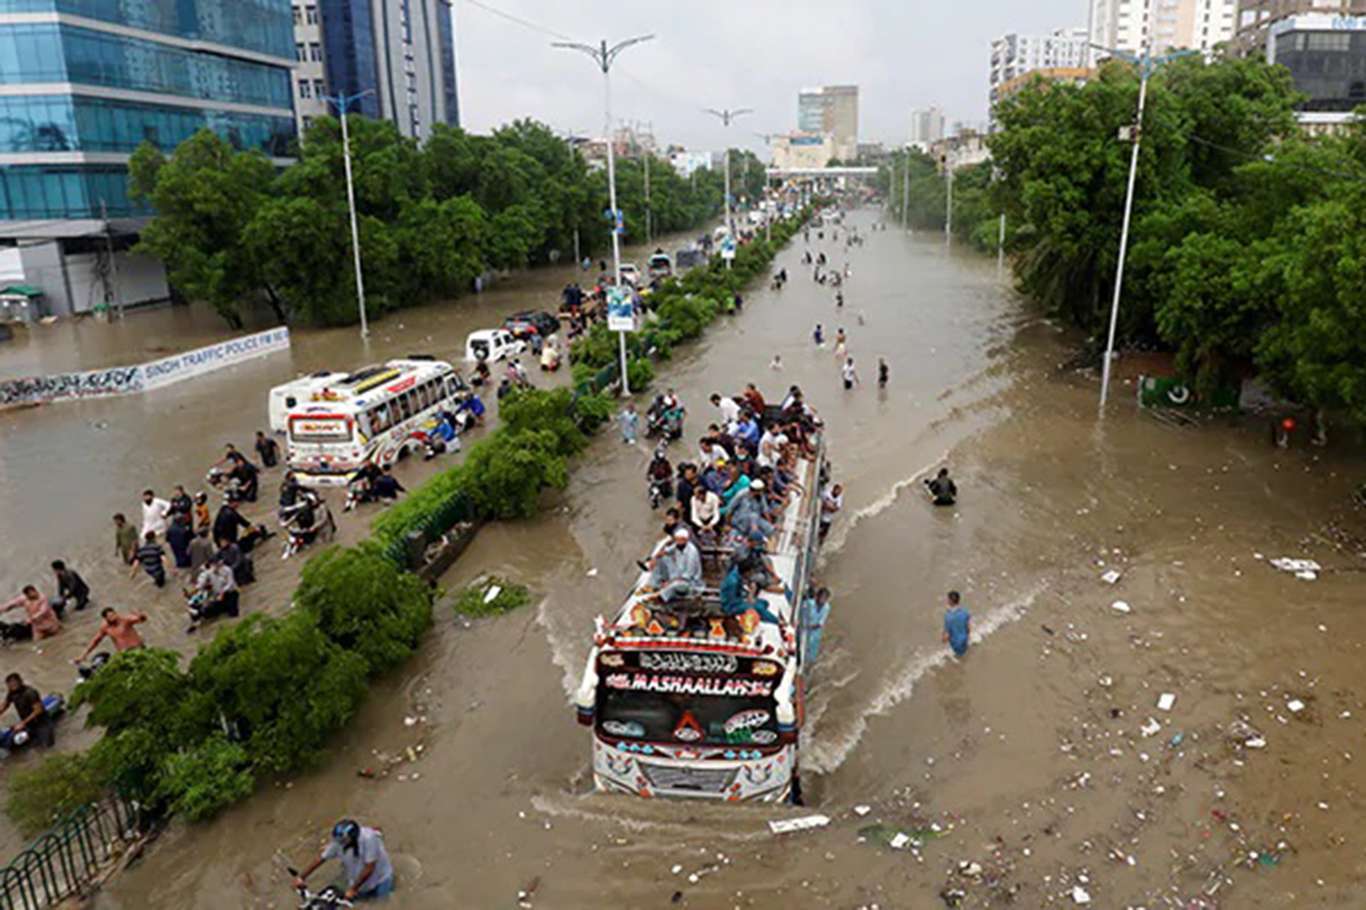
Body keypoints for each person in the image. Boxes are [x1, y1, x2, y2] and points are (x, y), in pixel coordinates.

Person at [294, 820, 395, 902]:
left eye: (342, 841)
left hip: (381, 879)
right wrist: (301, 877)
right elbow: (320, 859)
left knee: (382, 903)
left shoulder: (369, 839)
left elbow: (369, 868)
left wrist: (353, 889)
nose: (339, 843)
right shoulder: (338, 843)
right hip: (359, 881)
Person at [647, 528, 703, 603]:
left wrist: (670, 582)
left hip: (689, 582)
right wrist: (654, 558)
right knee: (661, 559)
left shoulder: (692, 553)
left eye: (679, 540)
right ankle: (654, 585)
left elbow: (688, 576)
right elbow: (665, 552)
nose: (677, 542)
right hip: (677, 574)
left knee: (677, 585)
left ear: (685, 540)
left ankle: (660, 596)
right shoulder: (677, 545)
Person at [2, 674, 55, 748]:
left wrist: (22, 723)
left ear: (20, 681)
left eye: (14, 683)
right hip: (28, 724)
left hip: (41, 723)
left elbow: (39, 710)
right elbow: (5, 705)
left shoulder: (30, 692)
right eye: (10, 685)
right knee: (9, 742)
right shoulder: (12, 693)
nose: (12, 686)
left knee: (46, 746)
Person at [75, 608, 147, 662]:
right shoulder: (105, 628)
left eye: (113, 614)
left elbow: (141, 619)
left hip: (139, 648)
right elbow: (95, 641)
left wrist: (140, 615)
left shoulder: (125, 620)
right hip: (125, 654)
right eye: (110, 616)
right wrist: (83, 655)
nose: (113, 617)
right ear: (106, 619)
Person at [187, 557, 239, 629]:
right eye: (213, 565)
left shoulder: (227, 570)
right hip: (218, 596)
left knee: (233, 614)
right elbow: (201, 584)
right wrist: (193, 592)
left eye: (217, 565)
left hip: (230, 593)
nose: (215, 567)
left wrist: (222, 593)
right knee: (208, 612)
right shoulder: (209, 573)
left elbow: (230, 584)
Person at [802, 587, 832, 665]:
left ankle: (809, 664)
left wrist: (811, 627)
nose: (823, 601)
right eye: (822, 598)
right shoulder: (809, 603)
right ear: (817, 596)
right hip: (804, 628)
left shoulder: (826, 607)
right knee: (802, 647)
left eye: (825, 599)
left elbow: (821, 622)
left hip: (815, 631)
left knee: (813, 651)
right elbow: (802, 615)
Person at [942, 590, 971, 658]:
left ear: (950, 601)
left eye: (948, 599)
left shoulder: (948, 616)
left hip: (956, 646)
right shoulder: (965, 612)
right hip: (964, 642)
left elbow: (946, 636)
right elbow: (968, 628)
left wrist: (943, 639)